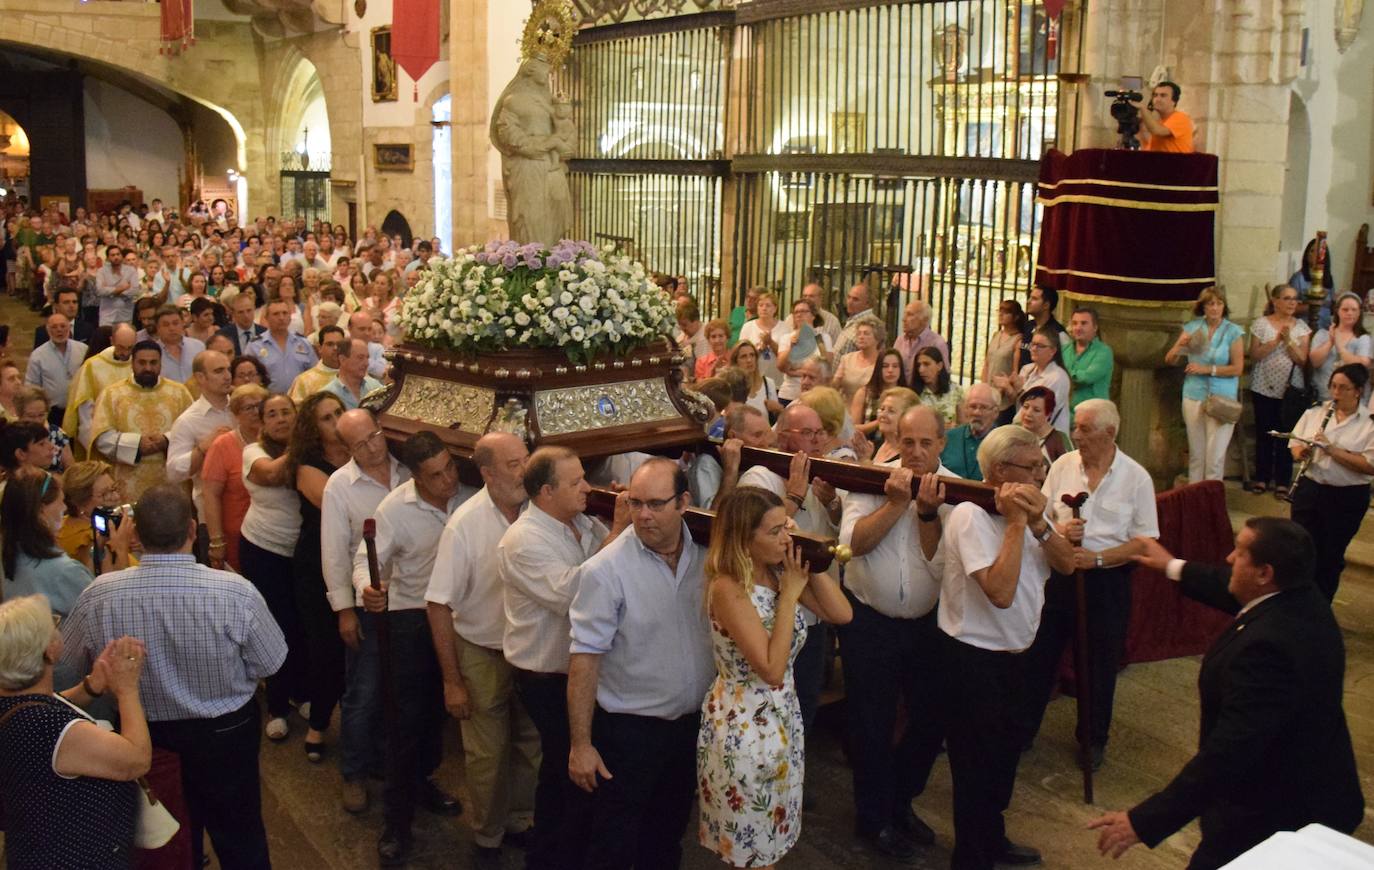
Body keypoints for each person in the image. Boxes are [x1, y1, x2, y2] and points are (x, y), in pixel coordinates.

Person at [1092, 520, 1363, 869]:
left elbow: (1230, 752)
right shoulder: (1300, 597)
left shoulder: (1269, 650)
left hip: (1275, 814)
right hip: (1304, 788)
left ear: (1265, 572)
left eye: (1240, 552)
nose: (1229, 556)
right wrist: (1173, 566)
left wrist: (1143, 820)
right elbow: (1232, 586)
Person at [59, 484, 288, 870]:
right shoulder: (236, 593)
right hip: (225, 735)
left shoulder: (99, 595)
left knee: (165, 842)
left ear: (135, 536)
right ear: (193, 531)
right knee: (240, 835)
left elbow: (67, 664)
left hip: (143, 737)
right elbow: (271, 664)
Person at [567, 459, 717, 868]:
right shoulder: (605, 570)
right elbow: (584, 660)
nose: (644, 515)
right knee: (613, 842)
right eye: (635, 503)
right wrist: (581, 744)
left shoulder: (708, 553)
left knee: (667, 836)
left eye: (656, 504)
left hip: (689, 727)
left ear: (684, 502)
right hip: (630, 732)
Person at [938, 425, 1074, 870]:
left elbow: (1068, 564)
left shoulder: (1035, 509)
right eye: (1032, 467)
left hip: (1021, 655)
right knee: (974, 770)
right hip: (973, 659)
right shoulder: (968, 516)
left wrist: (1038, 523)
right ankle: (971, 858)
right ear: (1000, 472)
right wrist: (1017, 525)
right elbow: (999, 590)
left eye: (1041, 466)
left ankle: (992, 839)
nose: (1041, 475)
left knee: (1005, 759)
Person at [697, 486, 852, 867]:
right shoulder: (729, 586)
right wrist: (788, 597)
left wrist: (808, 563)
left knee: (771, 842)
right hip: (745, 728)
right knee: (751, 853)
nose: (784, 537)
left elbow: (842, 614)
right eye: (773, 532)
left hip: (781, 722)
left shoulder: (776, 573)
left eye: (785, 527)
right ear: (743, 538)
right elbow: (770, 668)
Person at [837, 406, 951, 861]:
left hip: (928, 623)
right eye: (908, 442)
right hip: (870, 620)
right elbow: (853, 546)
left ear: (943, 442)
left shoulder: (957, 488)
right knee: (871, 723)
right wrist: (895, 504)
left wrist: (926, 514)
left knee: (929, 719)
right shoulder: (872, 480)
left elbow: (939, 559)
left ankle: (900, 801)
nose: (916, 452)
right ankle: (873, 817)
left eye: (926, 443)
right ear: (897, 440)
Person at [498, 446, 619, 870]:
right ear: (546, 492)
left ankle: (564, 852)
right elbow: (575, 594)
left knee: (564, 774)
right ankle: (554, 856)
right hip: (545, 676)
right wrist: (616, 535)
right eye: (576, 482)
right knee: (570, 771)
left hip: (579, 672)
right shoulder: (523, 540)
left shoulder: (579, 521)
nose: (588, 487)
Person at [1023, 399, 1159, 768]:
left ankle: (1092, 739)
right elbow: (1044, 513)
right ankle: (1022, 729)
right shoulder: (1063, 465)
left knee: (1098, 663)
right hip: (1059, 575)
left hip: (1107, 582)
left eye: (1084, 429)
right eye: (1077, 428)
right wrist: (1060, 531)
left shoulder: (1136, 478)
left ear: (1109, 433)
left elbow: (1144, 541)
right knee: (1040, 654)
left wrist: (1098, 558)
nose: (1076, 435)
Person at [356, 431, 470, 866]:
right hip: (413, 618)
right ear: (416, 478)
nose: (448, 480)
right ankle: (396, 822)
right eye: (436, 475)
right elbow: (365, 561)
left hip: (461, 616)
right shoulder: (393, 510)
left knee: (438, 718)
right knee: (408, 718)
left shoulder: (469, 497)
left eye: (451, 468)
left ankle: (425, 781)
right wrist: (366, 589)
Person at [425, 432, 537, 866]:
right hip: (482, 651)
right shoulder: (465, 525)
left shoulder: (537, 510)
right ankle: (487, 836)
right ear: (487, 473)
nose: (524, 470)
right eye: (513, 464)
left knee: (530, 741)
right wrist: (453, 681)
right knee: (488, 753)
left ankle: (521, 821)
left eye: (526, 459)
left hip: (529, 653)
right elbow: (438, 605)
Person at [0, 596, 151, 870]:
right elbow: (136, 759)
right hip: (78, 857)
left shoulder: (14, 706)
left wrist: (91, 686)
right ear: (49, 651)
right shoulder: (48, 727)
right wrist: (127, 689)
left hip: (33, 851)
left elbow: (46, 700)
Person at [323, 408, 411, 813]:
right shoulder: (340, 486)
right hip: (367, 601)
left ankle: (395, 767)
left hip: (410, 598)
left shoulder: (407, 470)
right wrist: (344, 609)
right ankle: (354, 774)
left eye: (376, 435)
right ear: (347, 449)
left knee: (404, 690)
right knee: (363, 692)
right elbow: (335, 554)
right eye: (362, 443)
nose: (374, 446)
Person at [238, 393, 308, 741]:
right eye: (272, 414)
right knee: (276, 627)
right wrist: (305, 441)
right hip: (264, 548)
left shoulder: (312, 448)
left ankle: (304, 692)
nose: (281, 419)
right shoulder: (254, 452)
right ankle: (278, 705)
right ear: (262, 422)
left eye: (287, 412)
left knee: (305, 622)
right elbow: (272, 474)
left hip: (303, 549)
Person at [289, 392, 351, 762]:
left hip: (354, 561)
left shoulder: (361, 456)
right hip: (317, 565)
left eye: (340, 413)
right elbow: (337, 508)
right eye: (327, 417)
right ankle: (319, 725)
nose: (336, 421)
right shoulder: (308, 464)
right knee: (326, 648)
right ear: (314, 429)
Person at [1287, 364, 1374, 601]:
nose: (1336, 393)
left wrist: (1332, 450)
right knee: (1301, 550)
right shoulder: (1315, 413)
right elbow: (1295, 443)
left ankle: (1320, 606)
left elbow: (1369, 465)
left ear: (1357, 391)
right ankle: (1295, 603)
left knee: (1330, 556)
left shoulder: (1369, 423)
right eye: (1333, 386)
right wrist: (1301, 452)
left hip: (1346, 497)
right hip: (1311, 489)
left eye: (1343, 388)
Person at [1, 472, 131, 630]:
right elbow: (113, 617)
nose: (64, 508)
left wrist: (96, 552)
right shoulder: (63, 571)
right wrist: (122, 551)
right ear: (42, 510)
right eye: (61, 501)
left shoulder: (8, 556)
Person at [89, 340, 193, 502]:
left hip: (171, 483)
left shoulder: (179, 393)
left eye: (153, 363)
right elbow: (102, 438)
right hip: (128, 485)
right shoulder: (112, 395)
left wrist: (166, 440)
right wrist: (136, 444)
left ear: (161, 363)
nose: (148, 368)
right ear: (132, 363)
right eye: (142, 363)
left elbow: (192, 432)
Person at [1164, 287, 1246, 482]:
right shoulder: (1192, 328)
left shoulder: (1233, 332)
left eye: (1219, 304)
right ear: (1203, 307)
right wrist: (1179, 345)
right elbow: (1170, 360)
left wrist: (1208, 369)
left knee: (1215, 458)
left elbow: (1237, 368)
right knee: (1196, 455)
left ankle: (1211, 503)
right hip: (1194, 394)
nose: (1215, 308)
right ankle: (1194, 500)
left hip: (1222, 399)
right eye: (1211, 304)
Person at [1247, 284, 1311, 496]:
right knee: (1264, 434)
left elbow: (1303, 360)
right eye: (1287, 298)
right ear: (1275, 301)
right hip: (1263, 387)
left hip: (1290, 391)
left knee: (1285, 436)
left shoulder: (1301, 327)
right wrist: (1275, 341)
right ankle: (1262, 477)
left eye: (1295, 298)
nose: (1292, 302)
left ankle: (1282, 481)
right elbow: (1254, 355)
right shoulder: (1261, 324)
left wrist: (1289, 341)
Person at [202, 384, 268, 572]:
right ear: (236, 414)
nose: (256, 412)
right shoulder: (222, 445)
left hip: (274, 536)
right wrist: (216, 542)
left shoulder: (279, 441)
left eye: (260, 406)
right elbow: (210, 495)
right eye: (248, 408)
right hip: (236, 538)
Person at [165, 350, 234, 514]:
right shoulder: (187, 421)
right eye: (219, 371)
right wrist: (202, 448)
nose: (227, 376)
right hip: (211, 511)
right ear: (200, 378)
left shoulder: (242, 410)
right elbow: (173, 472)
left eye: (228, 369)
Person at [62, 322, 135, 452]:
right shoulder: (92, 367)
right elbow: (85, 409)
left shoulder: (138, 364)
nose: (125, 353)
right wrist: (95, 442)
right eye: (121, 347)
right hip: (102, 434)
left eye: (130, 348)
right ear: (112, 341)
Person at [24, 312, 87, 427]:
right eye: (54, 327)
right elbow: (31, 387)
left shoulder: (83, 350)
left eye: (63, 326)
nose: (59, 330)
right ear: (48, 330)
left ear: (69, 328)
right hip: (53, 413)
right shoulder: (38, 356)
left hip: (79, 411)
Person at [57, 460, 122, 570]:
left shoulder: (65, 523)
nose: (116, 497)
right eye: (105, 494)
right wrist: (122, 545)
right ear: (80, 504)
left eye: (114, 489)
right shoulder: (90, 541)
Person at [1309, 292, 1371, 402]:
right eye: (1345, 309)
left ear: (1359, 313)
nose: (1350, 313)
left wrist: (1340, 346)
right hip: (1322, 395)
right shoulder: (1323, 333)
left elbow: (1361, 365)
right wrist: (1331, 342)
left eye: (1354, 310)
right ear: (1337, 311)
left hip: (1350, 399)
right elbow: (1315, 362)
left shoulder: (1363, 337)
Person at [245, 298, 317, 393]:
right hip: (267, 402)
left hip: (300, 401)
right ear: (266, 318)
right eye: (276, 314)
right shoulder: (255, 346)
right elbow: (247, 378)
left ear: (290, 316)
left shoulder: (303, 343)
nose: (281, 317)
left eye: (285, 313)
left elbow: (314, 374)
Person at [1006, 328, 1070, 434]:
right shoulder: (1027, 369)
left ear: (1053, 351)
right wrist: (1007, 387)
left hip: (1049, 436)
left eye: (1040, 346)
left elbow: (1044, 410)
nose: (1034, 349)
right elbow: (1020, 403)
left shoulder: (1057, 377)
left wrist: (1020, 390)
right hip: (1026, 430)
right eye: (1033, 344)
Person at [1060, 307, 1113, 425]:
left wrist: (1064, 375)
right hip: (1065, 417)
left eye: (1083, 323)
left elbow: (1086, 378)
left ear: (1095, 327)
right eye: (1074, 323)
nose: (1078, 328)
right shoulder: (1064, 350)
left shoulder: (1104, 352)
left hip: (1093, 419)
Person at [777, 298, 834, 403]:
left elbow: (827, 366)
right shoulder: (786, 338)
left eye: (803, 311)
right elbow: (782, 367)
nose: (799, 315)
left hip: (816, 394)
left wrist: (795, 372)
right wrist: (792, 347)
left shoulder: (823, 338)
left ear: (813, 315)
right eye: (796, 312)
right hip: (790, 394)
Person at [940, 383, 1001, 481]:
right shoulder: (948, 438)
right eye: (973, 406)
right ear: (965, 409)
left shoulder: (1003, 443)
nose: (977, 412)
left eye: (983, 407)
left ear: (996, 412)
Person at [983, 299, 1027, 422]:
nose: (1001, 314)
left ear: (1015, 317)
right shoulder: (996, 335)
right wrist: (984, 386)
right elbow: (986, 364)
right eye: (1000, 311)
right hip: (989, 392)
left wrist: (1003, 388)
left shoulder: (1018, 340)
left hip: (1004, 399)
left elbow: (1015, 371)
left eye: (1006, 312)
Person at [854, 387, 921, 465]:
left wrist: (865, 461)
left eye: (891, 411)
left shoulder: (911, 455)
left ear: (908, 418)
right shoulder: (870, 447)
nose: (883, 415)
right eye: (882, 409)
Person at [852, 348, 907, 438]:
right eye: (885, 366)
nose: (890, 370)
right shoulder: (864, 393)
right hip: (868, 444)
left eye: (895, 366)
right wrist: (880, 421)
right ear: (878, 369)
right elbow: (853, 428)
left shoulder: (906, 394)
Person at [893, 299, 950, 384]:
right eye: (905, 314)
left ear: (925, 320)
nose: (903, 319)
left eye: (910, 315)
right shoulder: (900, 340)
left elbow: (944, 375)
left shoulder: (937, 343)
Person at [738, 291, 788, 384]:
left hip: (777, 380)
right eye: (761, 305)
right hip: (753, 380)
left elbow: (787, 356)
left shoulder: (784, 327)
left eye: (768, 305)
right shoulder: (748, 326)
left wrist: (771, 343)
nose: (764, 308)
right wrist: (760, 348)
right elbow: (741, 353)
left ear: (775, 308)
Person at [1288, 237, 1338, 330]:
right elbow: (1290, 307)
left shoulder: (1328, 278)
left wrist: (1338, 302)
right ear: (1306, 254)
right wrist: (1313, 305)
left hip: (1325, 327)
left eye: (1319, 252)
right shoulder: (1298, 278)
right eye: (1312, 251)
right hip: (1303, 326)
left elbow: (1331, 308)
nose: (1315, 255)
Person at [1015, 386, 1072, 465]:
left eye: (1036, 410)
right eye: (1026, 407)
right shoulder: (1013, 430)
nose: (1028, 413)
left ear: (1048, 414)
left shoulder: (1059, 440)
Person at [831, 315, 884, 401]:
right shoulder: (847, 359)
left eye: (866, 334)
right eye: (858, 333)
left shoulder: (882, 361)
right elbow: (834, 387)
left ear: (877, 338)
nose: (861, 337)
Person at [324, 338, 385, 410]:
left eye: (367, 358)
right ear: (342, 360)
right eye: (360, 358)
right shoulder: (328, 395)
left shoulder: (375, 386)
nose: (367, 363)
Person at [289, 324, 345, 403]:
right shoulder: (304, 381)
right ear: (320, 348)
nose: (335, 348)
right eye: (330, 344)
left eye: (339, 344)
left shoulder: (355, 375)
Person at [1135, 80, 1194, 154]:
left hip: (1177, 164)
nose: (1157, 99)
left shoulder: (1181, 118)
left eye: (1163, 95)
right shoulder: (1160, 122)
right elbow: (1149, 151)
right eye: (1155, 95)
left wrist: (1143, 108)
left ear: (1174, 101)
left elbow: (1157, 131)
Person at [154, 304, 207, 385]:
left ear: (183, 323)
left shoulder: (198, 347)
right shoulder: (152, 353)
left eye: (175, 323)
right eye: (166, 325)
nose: (171, 328)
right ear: (157, 328)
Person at [729, 340, 783, 419]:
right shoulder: (732, 387)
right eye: (743, 356)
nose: (749, 360)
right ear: (736, 362)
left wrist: (779, 409)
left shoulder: (768, 383)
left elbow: (778, 417)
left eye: (752, 355)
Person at [913, 345, 964, 428]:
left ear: (939, 366)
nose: (921, 370)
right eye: (918, 365)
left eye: (926, 364)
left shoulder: (956, 390)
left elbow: (963, 423)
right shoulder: (914, 394)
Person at [93, 245, 138, 326]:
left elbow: (134, 291)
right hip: (107, 316)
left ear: (122, 256)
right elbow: (100, 291)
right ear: (108, 258)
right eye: (113, 255)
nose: (116, 257)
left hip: (125, 315)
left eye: (118, 254)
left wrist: (109, 291)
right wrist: (123, 288)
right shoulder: (101, 271)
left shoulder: (131, 271)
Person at [220, 290, 267, 356]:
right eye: (241, 312)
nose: (246, 316)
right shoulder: (223, 335)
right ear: (233, 314)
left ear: (254, 309)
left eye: (249, 310)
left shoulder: (265, 334)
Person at [834, 282, 876, 356]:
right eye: (849, 297)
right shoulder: (853, 320)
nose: (850, 302)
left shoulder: (870, 324)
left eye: (855, 299)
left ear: (867, 303)